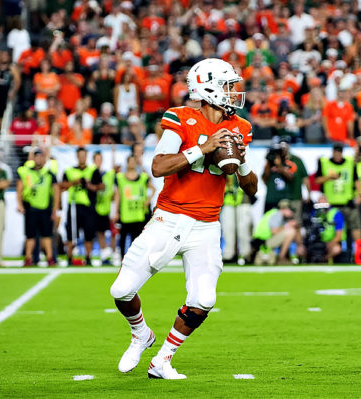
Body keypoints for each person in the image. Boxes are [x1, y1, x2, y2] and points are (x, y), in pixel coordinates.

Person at [109, 58, 257, 380]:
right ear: (208, 88)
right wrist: (202, 149)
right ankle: (140, 334)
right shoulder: (180, 117)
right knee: (121, 290)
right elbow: (158, 167)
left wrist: (243, 163)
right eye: (227, 86)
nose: (233, 93)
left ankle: (162, 359)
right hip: (169, 217)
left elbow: (251, 190)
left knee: (204, 298)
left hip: (205, 225)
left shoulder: (241, 128)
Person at [314, 143, 361, 259]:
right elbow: (317, 180)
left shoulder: (350, 163)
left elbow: (356, 180)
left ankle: (360, 252)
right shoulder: (325, 163)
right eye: (336, 152)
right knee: (330, 229)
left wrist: (359, 195)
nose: (337, 154)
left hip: (347, 202)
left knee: (355, 226)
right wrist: (329, 177)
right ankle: (325, 253)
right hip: (330, 206)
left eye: (339, 152)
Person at [61, 147, 103, 266]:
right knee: (71, 233)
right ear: (77, 156)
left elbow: (100, 186)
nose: (82, 158)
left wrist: (89, 185)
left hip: (88, 206)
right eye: (80, 155)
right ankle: (69, 258)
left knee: (88, 233)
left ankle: (88, 257)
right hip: (74, 206)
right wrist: (74, 182)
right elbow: (62, 185)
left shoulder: (92, 170)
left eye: (84, 155)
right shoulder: (69, 171)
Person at [17, 149, 59, 267]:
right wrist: (19, 204)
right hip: (31, 208)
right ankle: (28, 258)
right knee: (30, 235)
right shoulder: (26, 172)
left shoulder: (49, 174)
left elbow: (56, 191)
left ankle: (50, 258)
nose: (39, 159)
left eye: (41, 157)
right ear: (33, 158)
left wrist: (55, 209)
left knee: (47, 235)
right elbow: (20, 187)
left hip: (45, 209)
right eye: (37, 157)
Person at [114, 155, 154, 256]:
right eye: (130, 161)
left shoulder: (143, 178)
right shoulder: (120, 178)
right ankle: (122, 259)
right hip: (125, 214)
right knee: (123, 238)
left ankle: (135, 259)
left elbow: (153, 188)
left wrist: (148, 201)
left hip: (138, 214)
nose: (132, 163)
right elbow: (117, 195)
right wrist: (116, 211)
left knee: (136, 240)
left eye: (134, 161)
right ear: (127, 163)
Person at [252, 199, 303, 265]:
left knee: (292, 230)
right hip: (262, 242)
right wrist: (288, 225)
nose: (291, 213)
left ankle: (288, 256)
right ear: (284, 209)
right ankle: (281, 258)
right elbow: (274, 231)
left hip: (264, 241)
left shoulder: (276, 214)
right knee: (291, 232)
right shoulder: (277, 214)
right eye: (290, 210)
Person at [220, 175, 253, 265]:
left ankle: (245, 254)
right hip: (227, 200)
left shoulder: (243, 163)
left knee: (243, 229)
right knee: (228, 228)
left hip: (243, 199)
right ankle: (228, 254)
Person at [94, 152, 116, 264]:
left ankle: (111, 253)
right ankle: (104, 255)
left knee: (113, 232)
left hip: (109, 207)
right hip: (97, 208)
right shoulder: (92, 174)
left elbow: (113, 168)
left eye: (100, 159)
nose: (98, 162)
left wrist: (113, 152)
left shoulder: (108, 174)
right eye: (96, 159)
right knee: (100, 232)